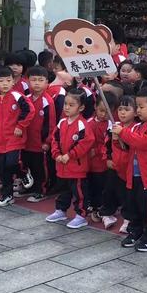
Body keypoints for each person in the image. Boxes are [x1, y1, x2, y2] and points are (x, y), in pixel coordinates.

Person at [112, 86, 147, 252]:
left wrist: (123, 133)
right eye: (138, 107)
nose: (138, 111)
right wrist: (116, 139)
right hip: (134, 176)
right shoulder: (137, 127)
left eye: (141, 107)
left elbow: (142, 142)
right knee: (133, 206)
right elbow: (127, 147)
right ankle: (135, 231)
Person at [46, 88, 95, 229]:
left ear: (81, 107)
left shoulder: (82, 124)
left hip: (77, 167)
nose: (66, 107)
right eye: (66, 104)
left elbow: (85, 143)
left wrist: (70, 155)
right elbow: (54, 139)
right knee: (63, 190)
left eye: (71, 105)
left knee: (79, 192)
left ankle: (81, 215)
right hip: (62, 165)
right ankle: (60, 210)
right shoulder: (62, 123)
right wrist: (56, 154)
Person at [0, 66, 35, 207]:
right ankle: (7, 195)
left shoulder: (17, 96)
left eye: (8, 80)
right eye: (1, 81)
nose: (5, 84)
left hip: (14, 137)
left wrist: (20, 126)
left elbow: (29, 110)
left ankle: (24, 172)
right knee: (2, 168)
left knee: (11, 163)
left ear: (13, 81)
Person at [18, 66, 56, 202]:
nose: (37, 83)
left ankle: (42, 190)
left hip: (40, 143)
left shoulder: (47, 101)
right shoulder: (26, 98)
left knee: (41, 168)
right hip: (26, 141)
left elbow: (51, 123)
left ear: (47, 83)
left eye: (41, 80)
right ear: (27, 81)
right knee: (27, 166)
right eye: (33, 80)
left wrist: (47, 141)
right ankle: (28, 187)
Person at [87, 93, 118, 228]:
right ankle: (96, 208)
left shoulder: (113, 124)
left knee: (108, 187)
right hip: (93, 163)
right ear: (95, 107)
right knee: (95, 186)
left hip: (108, 163)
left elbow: (110, 144)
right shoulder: (89, 123)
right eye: (102, 110)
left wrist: (99, 150)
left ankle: (106, 208)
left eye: (108, 111)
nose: (104, 114)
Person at [110, 95, 137, 234]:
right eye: (120, 109)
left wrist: (121, 137)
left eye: (127, 109)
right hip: (119, 168)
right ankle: (126, 217)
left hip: (131, 169)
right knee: (122, 195)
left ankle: (129, 219)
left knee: (131, 197)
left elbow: (129, 147)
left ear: (136, 112)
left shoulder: (136, 128)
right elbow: (111, 147)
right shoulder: (116, 126)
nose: (122, 112)